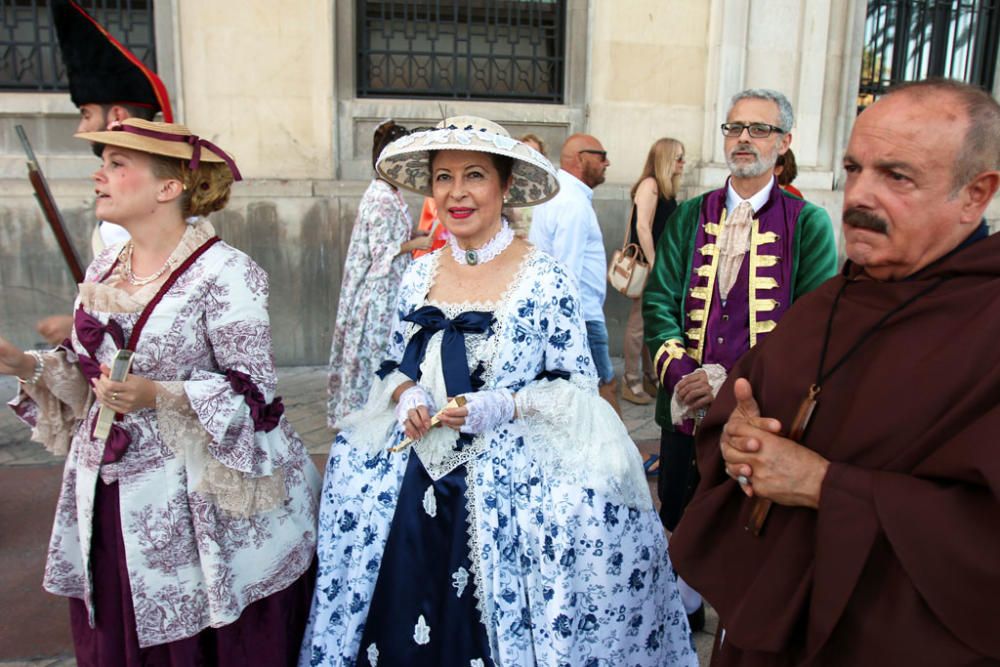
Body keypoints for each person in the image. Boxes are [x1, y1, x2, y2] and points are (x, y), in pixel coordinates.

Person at [299, 116, 697, 666]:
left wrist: (505, 403)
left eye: (474, 176)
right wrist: (408, 395)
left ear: (505, 186)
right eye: (442, 178)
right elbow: (391, 362)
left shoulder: (542, 277)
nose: (456, 193)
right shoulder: (418, 273)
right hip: (417, 471)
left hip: (507, 473)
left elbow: (576, 384)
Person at [670, 77, 1000, 665]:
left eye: (896, 176)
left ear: (975, 194)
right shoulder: (832, 302)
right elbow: (741, 413)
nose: (859, 196)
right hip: (768, 624)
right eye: (854, 168)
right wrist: (738, 440)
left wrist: (826, 486)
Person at [3, 118, 321, 665]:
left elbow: (256, 395)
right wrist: (19, 363)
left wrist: (158, 394)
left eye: (116, 164)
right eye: (103, 163)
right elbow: (90, 380)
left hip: (194, 499)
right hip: (107, 487)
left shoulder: (227, 273)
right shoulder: (107, 266)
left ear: (168, 188)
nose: (98, 175)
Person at [642, 88, 837, 628]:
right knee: (681, 513)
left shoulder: (809, 223)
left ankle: (741, 627)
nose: (744, 138)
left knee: (749, 521)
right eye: (734, 128)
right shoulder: (689, 216)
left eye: (759, 129)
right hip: (686, 409)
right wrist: (683, 375)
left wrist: (730, 383)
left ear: (784, 143)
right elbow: (659, 300)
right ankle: (683, 623)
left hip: (760, 412)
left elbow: (812, 327)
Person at [36, 0, 175, 346]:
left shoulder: (154, 207)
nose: (79, 130)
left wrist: (76, 326)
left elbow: (162, 306)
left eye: (85, 114)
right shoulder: (123, 205)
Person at [326, 120, 434, 428]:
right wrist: (418, 242)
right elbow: (381, 251)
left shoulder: (389, 193)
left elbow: (388, 235)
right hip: (379, 290)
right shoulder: (380, 197)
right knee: (379, 355)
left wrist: (412, 232)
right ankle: (370, 412)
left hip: (389, 284)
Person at [529, 133, 621, 414]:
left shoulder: (561, 194)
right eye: (601, 155)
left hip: (573, 314)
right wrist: (571, 326)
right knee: (604, 387)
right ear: (582, 159)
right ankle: (618, 457)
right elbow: (565, 270)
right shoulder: (572, 202)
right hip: (583, 315)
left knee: (580, 394)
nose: (607, 162)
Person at [622, 137, 685, 410]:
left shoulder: (666, 187)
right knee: (638, 326)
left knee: (650, 323)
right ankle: (630, 379)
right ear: (665, 159)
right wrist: (656, 263)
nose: (683, 162)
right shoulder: (650, 185)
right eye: (679, 157)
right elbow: (643, 228)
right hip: (649, 266)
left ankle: (649, 375)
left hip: (659, 265)